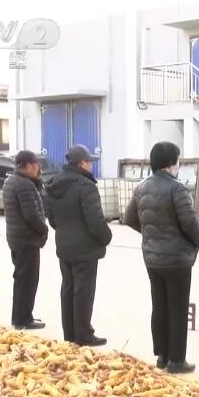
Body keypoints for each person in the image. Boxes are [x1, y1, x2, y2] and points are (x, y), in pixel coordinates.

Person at [125, 142, 199, 374]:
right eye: (177, 160)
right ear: (171, 163)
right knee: (178, 308)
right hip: (177, 259)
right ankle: (177, 360)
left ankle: (162, 355)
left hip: (152, 258)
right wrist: (197, 242)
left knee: (159, 306)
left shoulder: (141, 187)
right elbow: (190, 223)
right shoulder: (177, 189)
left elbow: (129, 218)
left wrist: (151, 235)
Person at [45, 144, 112, 347]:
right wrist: (106, 237)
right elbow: (95, 221)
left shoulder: (54, 183)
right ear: (82, 163)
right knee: (84, 291)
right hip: (85, 249)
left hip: (64, 246)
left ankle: (70, 333)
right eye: (89, 162)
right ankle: (83, 334)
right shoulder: (86, 186)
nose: (91, 166)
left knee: (68, 288)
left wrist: (66, 231)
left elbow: (52, 219)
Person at [2, 150, 49, 330]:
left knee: (21, 280)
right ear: (29, 166)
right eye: (37, 165)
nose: (39, 168)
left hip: (17, 239)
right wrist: (44, 229)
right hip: (26, 240)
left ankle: (22, 316)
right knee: (28, 281)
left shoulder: (10, 181)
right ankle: (22, 319)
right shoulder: (24, 184)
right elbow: (31, 215)